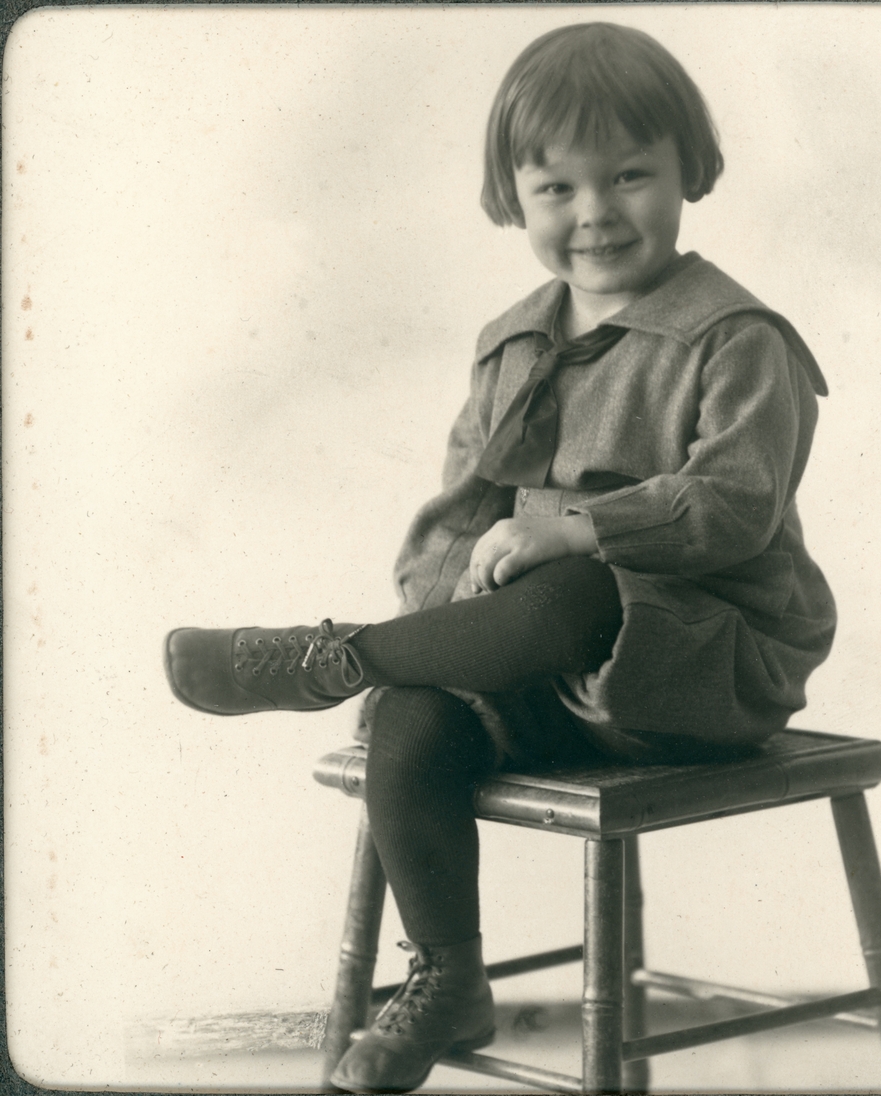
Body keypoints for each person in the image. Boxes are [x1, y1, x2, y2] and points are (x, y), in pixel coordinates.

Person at [163, 22, 836, 1093]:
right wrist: (445, 618)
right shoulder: (513, 341)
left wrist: (580, 529)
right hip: (543, 672)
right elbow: (460, 518)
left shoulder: (737, 337)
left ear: (688, 171)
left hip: (701, 662)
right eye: (556, 188)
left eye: (629, 176)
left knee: (574, 586)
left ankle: (332, 656)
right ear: (514, 196)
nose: (594, 212)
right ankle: (450, 977)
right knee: (414, 708)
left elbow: (735, 506)